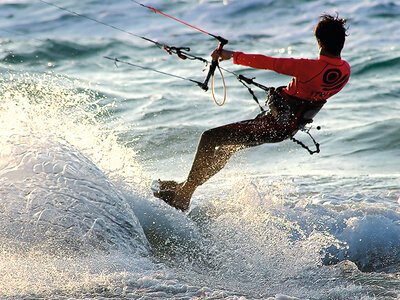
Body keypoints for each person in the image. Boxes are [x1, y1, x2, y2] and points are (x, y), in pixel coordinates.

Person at [153, 13, 351, 211]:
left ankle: (184, 194)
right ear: (341, 42)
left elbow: (270, 63)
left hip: (272, 125)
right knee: (226, 149)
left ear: (319, 43)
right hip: (285, 129)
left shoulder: (310, 68)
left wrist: (232, 56)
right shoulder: (345, 70)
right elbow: (310, 92)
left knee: (209, 137)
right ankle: (185, 188)